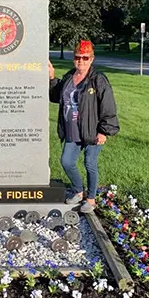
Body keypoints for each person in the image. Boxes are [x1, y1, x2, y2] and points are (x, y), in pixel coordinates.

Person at [49, 40, 119, 213]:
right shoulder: (69, 76)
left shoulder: (98, 79)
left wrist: (104, 131)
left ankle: (91, 199)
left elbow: (108, 105)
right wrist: (51, 78)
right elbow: (56, 96)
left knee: (90, 164)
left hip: (92, 130)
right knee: (66, 162)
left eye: (85, 58)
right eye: (78, 57)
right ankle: (79, 191)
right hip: (72, 129)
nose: (81, 61)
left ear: (92, 59)